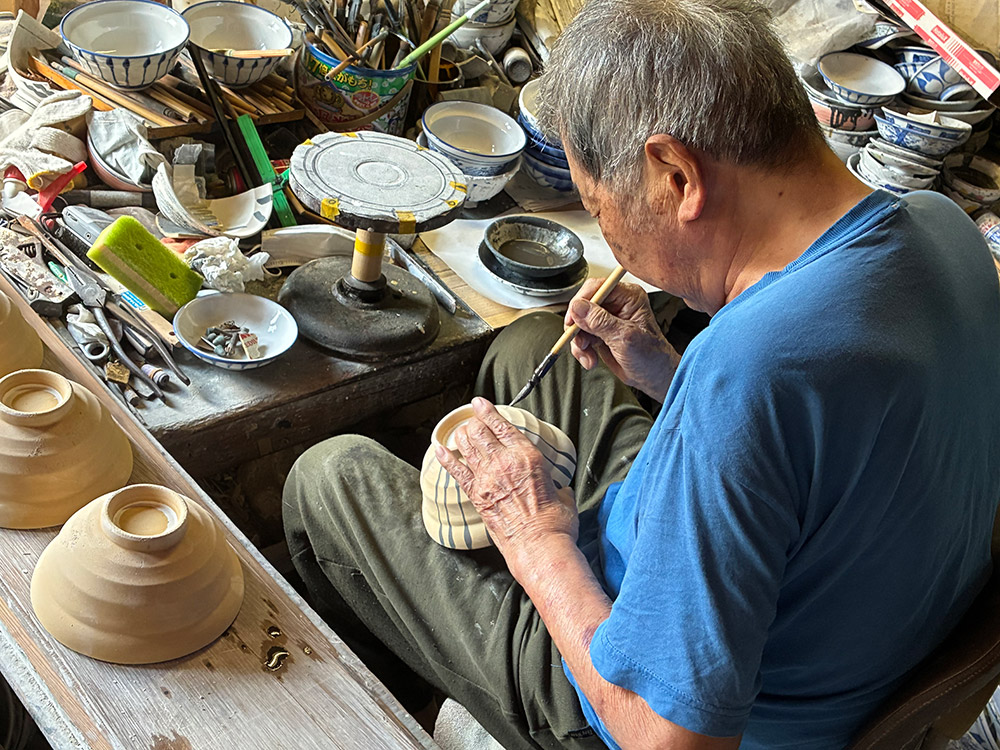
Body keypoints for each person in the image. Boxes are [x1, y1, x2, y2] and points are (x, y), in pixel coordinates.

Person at [282, 0, 1000, 747]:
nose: (612, 242)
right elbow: (828, 433)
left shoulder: (751, 370)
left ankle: (415, 702)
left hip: (651, 712)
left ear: (677, 176)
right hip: (846, 624)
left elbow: (667, 739)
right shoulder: (938, 225)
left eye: (600, 206)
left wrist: (534, 539)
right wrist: (665, 372)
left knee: (330, 477)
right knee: (530, 343)